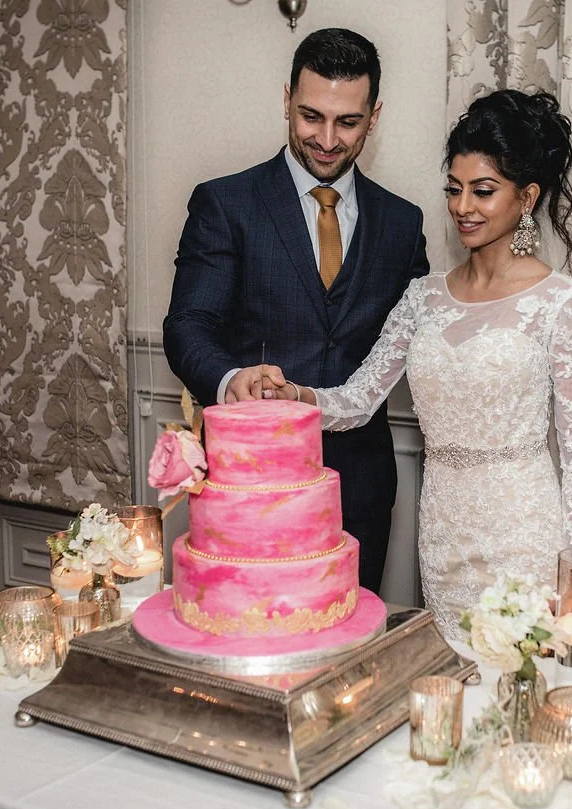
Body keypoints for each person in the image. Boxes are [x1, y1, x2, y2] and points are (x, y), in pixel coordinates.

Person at [257, 89, 572, 637]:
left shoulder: (560, 301)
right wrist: (293, 395)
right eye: (455, 189)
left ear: (527, 196)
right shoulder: (423, 297)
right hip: (443, 534)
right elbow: (358, 400)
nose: (463, 206)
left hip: (525, 531)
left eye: (483, 191)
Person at [163, 28, 430, 594]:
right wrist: (232, 379)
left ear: (374, 115)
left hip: (360, 485)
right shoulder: (225, 203)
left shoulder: (403, 225)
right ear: (286, 99)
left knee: (349, 644)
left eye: (348, 122)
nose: (328, 139)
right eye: (311, 116)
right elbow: (188, 326)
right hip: (251, 483)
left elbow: (422, 339)